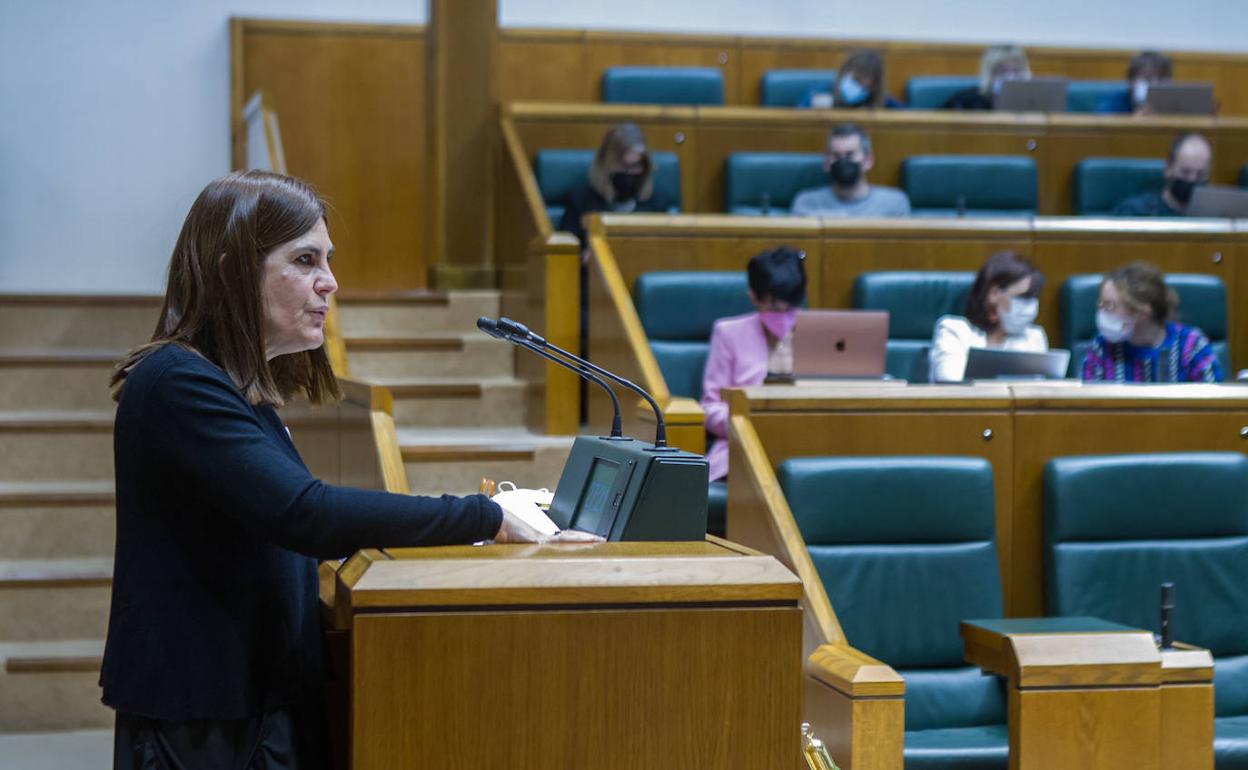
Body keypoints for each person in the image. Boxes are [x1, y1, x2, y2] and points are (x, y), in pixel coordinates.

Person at [103, 171, 599, 769]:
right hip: (203, 721)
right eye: (305, 260)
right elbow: (305, 513)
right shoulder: (175, 383)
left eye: (327, 260)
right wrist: (487, 515)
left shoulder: (234, 392)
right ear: (233, 268)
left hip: (250, 704)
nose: (330, 283)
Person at [701, 247, 807, 481]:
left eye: (789, 309)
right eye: (772, 308)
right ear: (753, 297)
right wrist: (750, 424)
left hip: (804, 445)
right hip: (744, 446)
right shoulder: (728, 333)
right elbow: (710, 408)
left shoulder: (819, 333)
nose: (782, 317)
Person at [1081, 262, 1221, 383]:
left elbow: (1213, 406)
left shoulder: (1191, 346)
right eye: (1101, 305)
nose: (1101, 313)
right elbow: (1087, 406)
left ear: (1141, 312)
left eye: (1109, 306)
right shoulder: (1101, 347)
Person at [929, 252, 1049, 382]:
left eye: (1033, 298)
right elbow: (950, 384)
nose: (1030, 307)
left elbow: (1036, 390)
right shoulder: (954, 330)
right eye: (1022, 297)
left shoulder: (1033, 337)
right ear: (994, 293)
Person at [557, 122, 671, 250]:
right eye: (623, 165)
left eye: (635, 166)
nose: (629, 173)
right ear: (605, 164)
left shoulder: (657, 202)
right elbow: (566, 255)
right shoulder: (579, 200)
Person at [789, 124, 911, 217]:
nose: (843, 161)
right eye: (836, 155)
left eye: (850, 155)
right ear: (826, 162)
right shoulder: (806, 203)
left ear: (868, 160)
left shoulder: (895, 204)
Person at [1112, 132, 1211, 216]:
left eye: (1200, 174)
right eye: (1185, 172)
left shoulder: (1214, 218)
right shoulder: (1134, 212)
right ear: (1168, 169)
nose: (1192, 179)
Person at [798, 49, 901, 109]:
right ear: (844, 72)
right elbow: (798, 116)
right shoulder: (820, 91)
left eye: (863, 86)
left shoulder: (882, 99)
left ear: (874, 86)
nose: (857, 88)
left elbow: (907, 116)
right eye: (855, 81)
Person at [942, 44, 1031, 110]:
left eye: (1017, 71)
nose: (1010, 78)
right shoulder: (965, 103)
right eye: (1002, 72)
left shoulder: (1035, 103)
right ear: (988, 75)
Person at [1096, 50, 1173, 115]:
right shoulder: (1112, 103)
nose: (1155, 84)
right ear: (1130, 82)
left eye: (1161, 79)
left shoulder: (1175, 105)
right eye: (1148, 79)